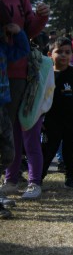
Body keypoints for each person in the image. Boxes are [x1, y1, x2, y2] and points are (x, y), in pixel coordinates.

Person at [0, 0, 50, 202]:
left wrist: (41, 17)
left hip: (21, 73)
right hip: (3, 72)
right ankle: (9, 179)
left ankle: (18, 180)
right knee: (5, 130)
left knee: (23, 127)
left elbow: (29, 30)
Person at [40, 37, 73, 189]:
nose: (64, 55)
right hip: (51, 121)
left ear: (72, 54)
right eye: (59, 52)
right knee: (46, 151)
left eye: (67, 52)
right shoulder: (45, 74)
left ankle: (71, 178)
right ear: (49, 54)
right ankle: (37, 179)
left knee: (72, 151)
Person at [0, 20, 30, 219]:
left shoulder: (3, 48)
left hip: (2, 106)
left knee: (8, 153)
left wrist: (18, 32)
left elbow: (22, 50)